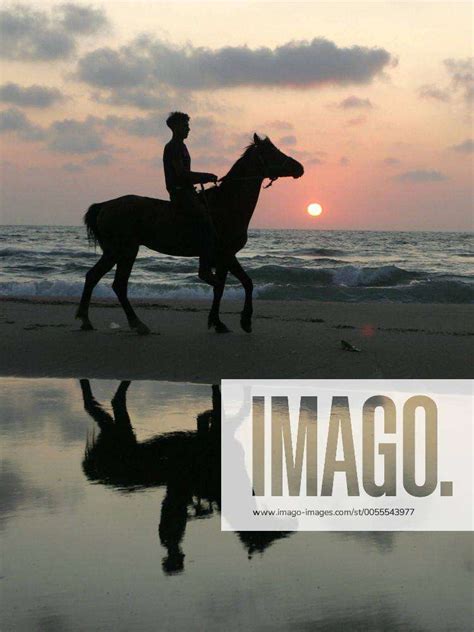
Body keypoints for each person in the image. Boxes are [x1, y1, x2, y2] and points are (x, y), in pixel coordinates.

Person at [163, 111, 218, 286]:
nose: (188, 129)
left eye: (188, 125)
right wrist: (204, 177)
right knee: (205, 220)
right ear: (175, 127)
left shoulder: (182, 146)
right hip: (180, 192)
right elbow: (181, 174)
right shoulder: (173, 147)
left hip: (188, 191)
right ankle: (204, 270)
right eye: (185, 125)